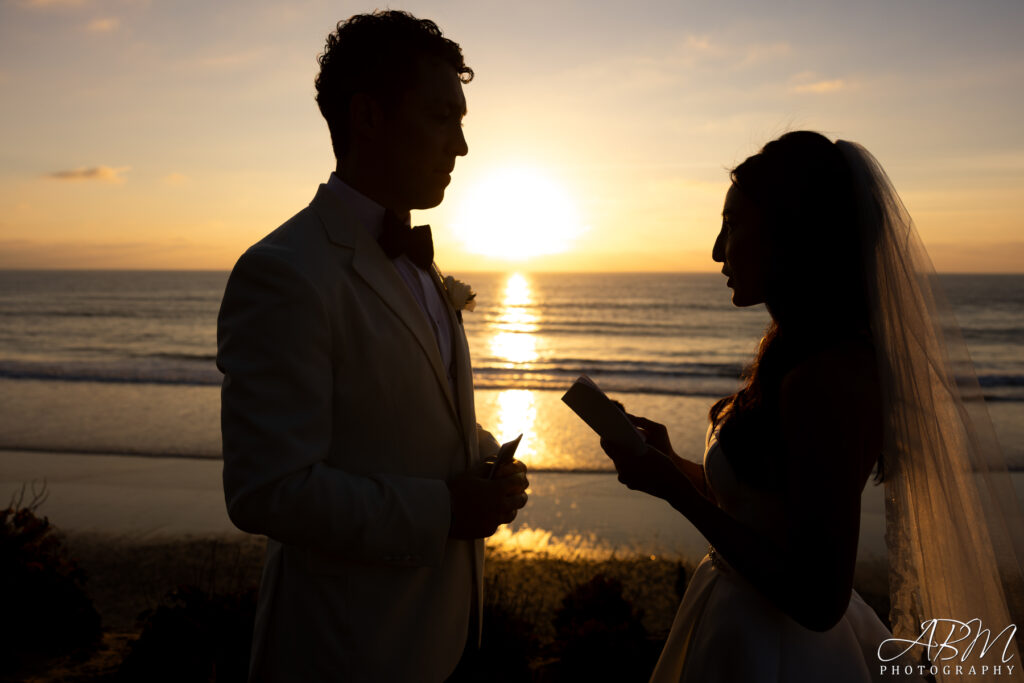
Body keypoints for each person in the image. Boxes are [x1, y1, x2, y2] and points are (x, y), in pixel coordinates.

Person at [601, 131, 1023, 682]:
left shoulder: (828, 379)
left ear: (790, 233)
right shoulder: (793, 353)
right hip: (736, 625)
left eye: (732, 224)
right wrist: (669, 461)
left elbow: (819, 599)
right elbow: (767, 514)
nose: (714, 250)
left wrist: (676, 492)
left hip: (779, 652)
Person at [217, 11, 529, 682]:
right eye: (443, 116)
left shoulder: (425, 268)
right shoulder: (285, 270)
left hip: (443, 639)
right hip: (343, 651)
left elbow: (400, 413)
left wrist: (484, 460)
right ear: (368, 117)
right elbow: (268, 488)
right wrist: (446, 509)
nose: (464, 146)